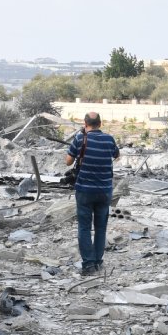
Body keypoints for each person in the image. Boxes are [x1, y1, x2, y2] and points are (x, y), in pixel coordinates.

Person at [65, 111, 121, 275]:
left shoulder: (80, 139)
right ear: (100, 124)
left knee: (84, 228)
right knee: (101, 228)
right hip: (104, 190)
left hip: (85, 190)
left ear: (85, 124)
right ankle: (98, 262)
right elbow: (117, 155)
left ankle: (88, 265)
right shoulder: (109, 139)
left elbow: (68, 161)